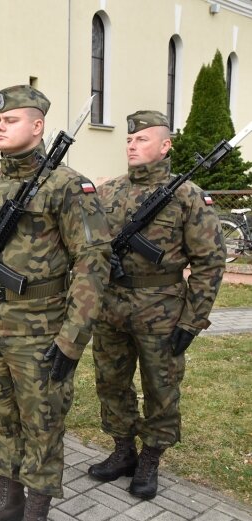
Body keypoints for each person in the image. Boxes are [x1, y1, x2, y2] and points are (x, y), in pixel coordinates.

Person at [0, 86, 111, 520]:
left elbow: (93, 262)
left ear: (37, 126)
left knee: (42, 422)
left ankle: (36, 510)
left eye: (10, 120)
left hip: (41, 329)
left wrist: (71, 339)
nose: (0, 125)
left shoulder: (68, 186)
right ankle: (9, 499)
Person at [88, 110, 226, 500]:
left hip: (161, 311)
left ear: (165, 146)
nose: (132, 144)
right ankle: (122, 451)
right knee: (111, 383)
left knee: (161, 388)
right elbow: (89, 243)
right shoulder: (108, 191)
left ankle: (150, 459)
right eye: (130, 140)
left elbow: (210, 262)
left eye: (142, 139)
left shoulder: (188, 196)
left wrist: (192, 320)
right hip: (111, 306)